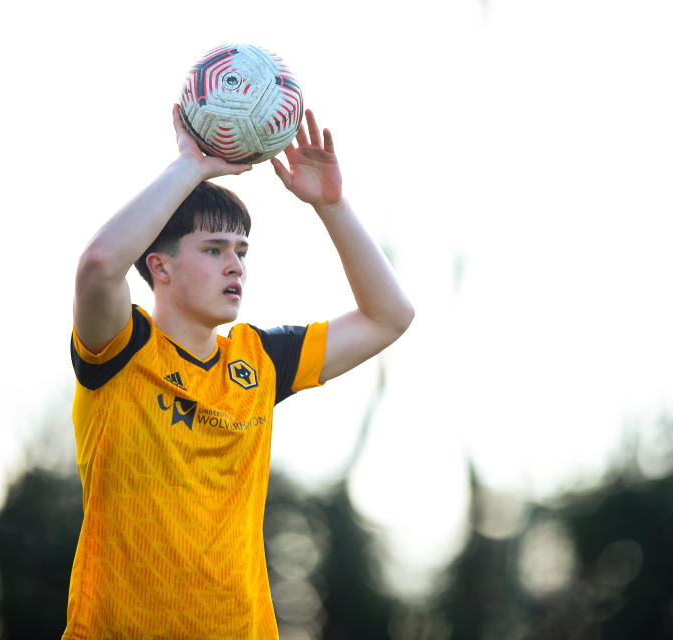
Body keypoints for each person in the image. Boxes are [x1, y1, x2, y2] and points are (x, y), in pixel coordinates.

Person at [63, 105, 414, 639]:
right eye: (213, 250)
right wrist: (191, 166)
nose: (236, 266)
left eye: (241, 251)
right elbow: (98, 266)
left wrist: (333, 206)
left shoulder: (258, 361)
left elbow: (390, 316)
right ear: (160, 267)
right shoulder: (121, 348)